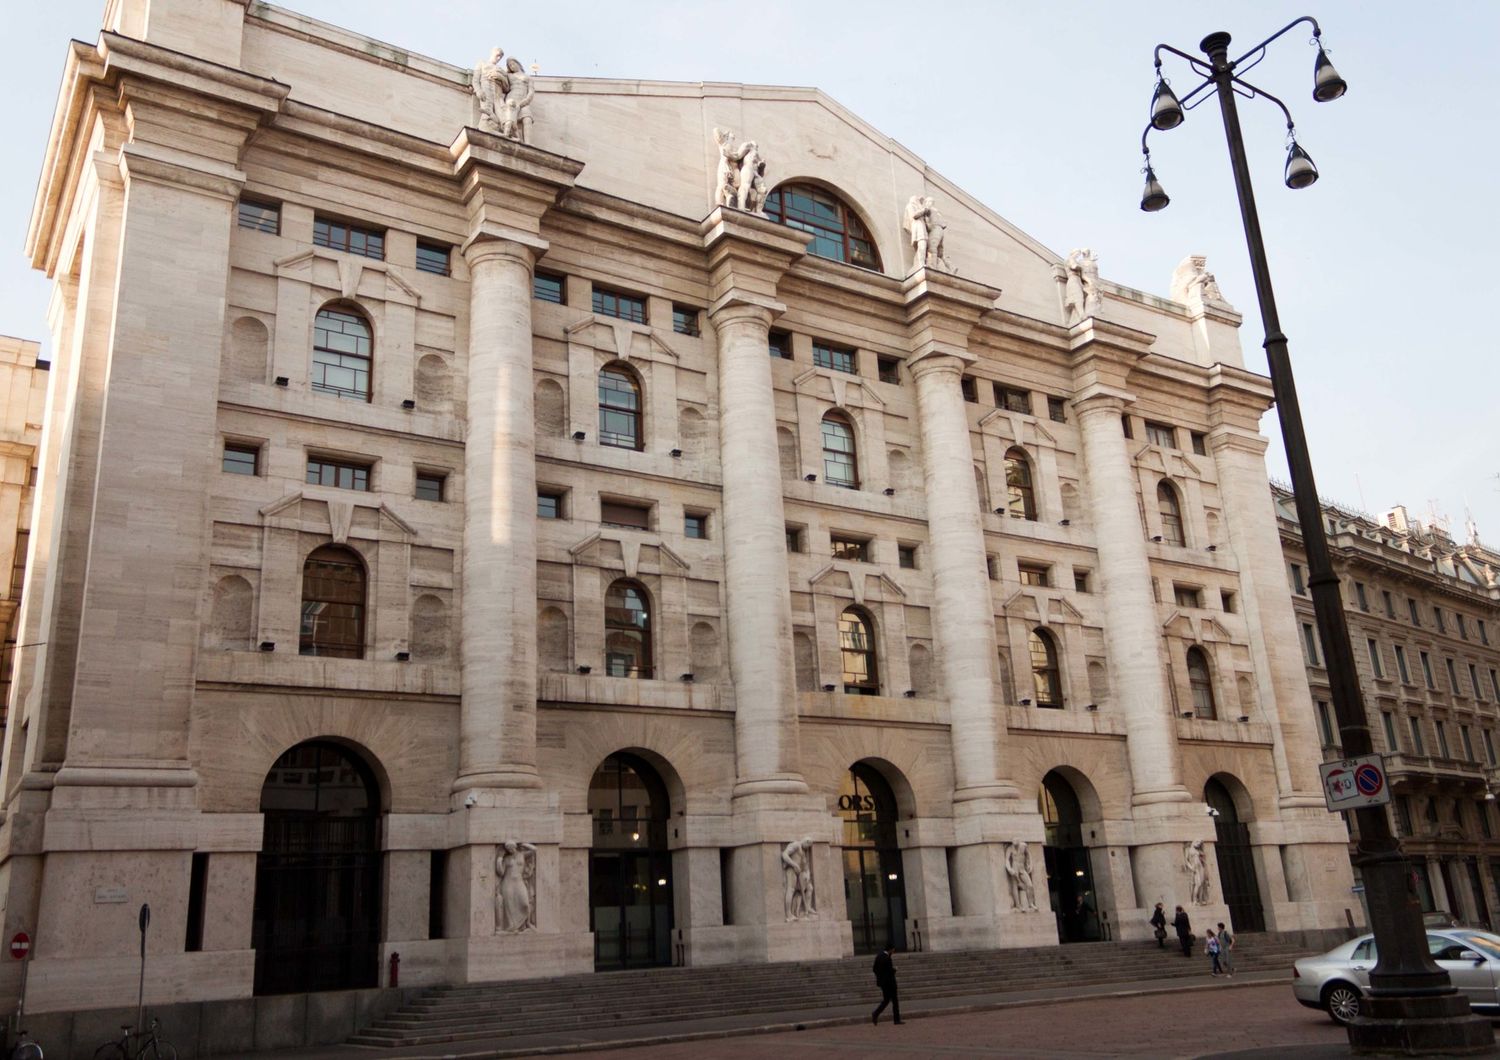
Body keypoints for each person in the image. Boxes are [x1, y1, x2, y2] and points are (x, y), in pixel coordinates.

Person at [871, 945, 902, 1025]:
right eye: (893, 950)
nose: (894, 952)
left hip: (883, 983)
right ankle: (896, 1020)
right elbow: (890, 971)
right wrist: (895, 969)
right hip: (890, 983)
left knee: (886, 1000)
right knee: (894, 1001)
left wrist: (880, 977)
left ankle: (876, 1013)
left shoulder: (879, 956)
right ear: (891, 949)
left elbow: (874, 969)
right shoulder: (887, 958)